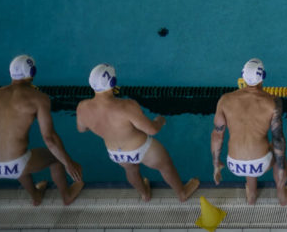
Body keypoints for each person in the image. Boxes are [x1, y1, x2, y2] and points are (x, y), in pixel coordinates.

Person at [0, 55, 83, 206]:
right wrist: (68, 163)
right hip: (16, 164)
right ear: (32, 72)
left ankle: (36, 196)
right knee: (55, 159)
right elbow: (49, 139)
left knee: (22, 156)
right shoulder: (39, 98)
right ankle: (66, 196)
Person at [76, 63, 200, 202]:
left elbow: (82, 129)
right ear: (113, 82)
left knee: (131, 171)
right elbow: (152, 130)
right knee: (165, 165)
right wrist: (159, 120)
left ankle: (144, 194)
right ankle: (182, 193)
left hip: (115, 153)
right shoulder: (126, 106)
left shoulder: (82, 107)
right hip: (141, 147)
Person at [211, 58, 287, 205]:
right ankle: (282, 195)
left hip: (234, 164)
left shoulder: (225, 100)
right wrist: (282, 168)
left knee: (247, 145)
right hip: (261, 163)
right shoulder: (273, 102)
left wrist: (215, 165)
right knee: (275, 146)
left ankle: (251, 195)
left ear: (242, 76)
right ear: (263, 76)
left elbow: (217, 135)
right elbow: (278, 139)